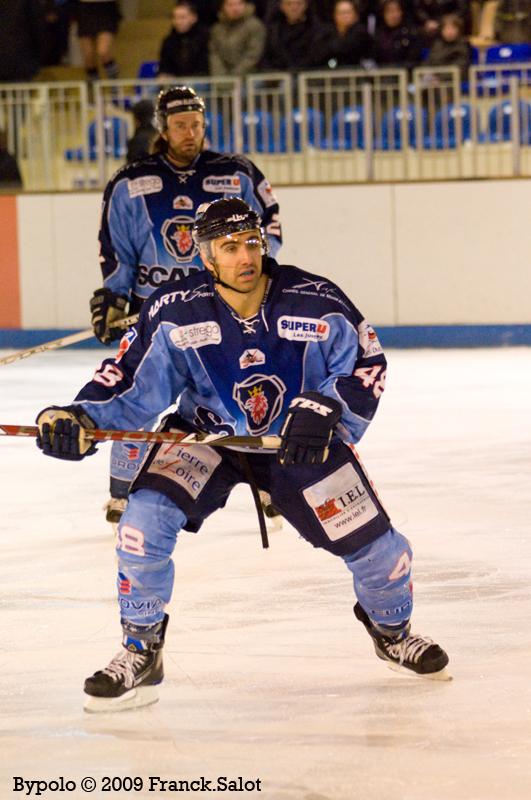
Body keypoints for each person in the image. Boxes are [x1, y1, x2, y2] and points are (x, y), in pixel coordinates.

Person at [36, 198, 450, 712]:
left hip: (297, 442)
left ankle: (392, 630)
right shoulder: (174, 309)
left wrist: (326, 408)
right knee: (140, 527)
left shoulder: (314, 299)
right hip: (208, 442)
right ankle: (141, 647)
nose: (244, 256)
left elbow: (366, 363)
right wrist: (82, 418)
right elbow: (128, 376)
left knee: (382, 552)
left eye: (251, 242)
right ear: (206, 258)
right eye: (229, 248)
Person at [89, 86, 282, 527]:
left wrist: (249, 278)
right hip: (153, 312)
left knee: (249, 386)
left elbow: (269, 228)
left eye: (196, 123)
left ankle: (272, 479)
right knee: (136, 395)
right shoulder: (130, 182)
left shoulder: (236, 173)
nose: (189, 132)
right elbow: (115, 246)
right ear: (162, 128)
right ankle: (122, 493)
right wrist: (115, 297)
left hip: (223, 309)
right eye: (179, 125)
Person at [261, 0, 332, 72]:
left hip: (307, 74)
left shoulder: (317, 30)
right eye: (289, 4)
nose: (294, 8)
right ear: (281, 6)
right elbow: (266, 58)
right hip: (278, 75)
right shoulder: (273, 31)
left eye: (299, 4)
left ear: (305, 5)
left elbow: (315, 58)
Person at [209, 0, 266, 77]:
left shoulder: (255, 26)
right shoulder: (217, 29)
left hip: (250, 77)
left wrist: (234, 77)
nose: (235, 8)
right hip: (221, 79)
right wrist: (220, 78)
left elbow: (253, 55)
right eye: (230, 5)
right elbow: (214, 55)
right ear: (223, 7)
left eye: (239, 4)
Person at [74, 0, 121, 91]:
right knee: (88, 57)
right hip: (84, 9)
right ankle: (95, 90)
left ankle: (114, 83)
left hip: (105, 9)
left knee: (103, 51)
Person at [158, 1, 209, 79]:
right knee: (151, 88)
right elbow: (164, 66)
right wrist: (164, 75)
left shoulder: (205, 38)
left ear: (194, 18)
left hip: (199, 79)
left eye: (182, 17)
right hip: (175, 80)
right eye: (175, 17)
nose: (178, 22)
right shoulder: (168, 41)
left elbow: (204, 67)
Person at [373, 0, 423, 70]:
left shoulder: (411, 33)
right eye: (389, 11)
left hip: (406, 75)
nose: (394, 15)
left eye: (397, 10)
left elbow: (417, 58)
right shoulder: (378, 34)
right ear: (383, 14)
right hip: (382, 75)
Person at [324, 0, 373, 69]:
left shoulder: (361, 33)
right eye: (341, 13)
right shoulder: (327, 33)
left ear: (355, 15)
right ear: (335, 15)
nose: (345, 16)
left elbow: (347, 50)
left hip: (356, 72)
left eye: (348, 12)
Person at [425, 13, 470, 81]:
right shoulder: (437, 44)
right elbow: (429, 62)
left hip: (451, 82)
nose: (449, 32)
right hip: (433, 80)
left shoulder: (462, 46)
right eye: (446, 28)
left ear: (459, 30)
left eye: (452, 28)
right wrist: (424, 73)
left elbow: (460, 69)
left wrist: (439, 78)